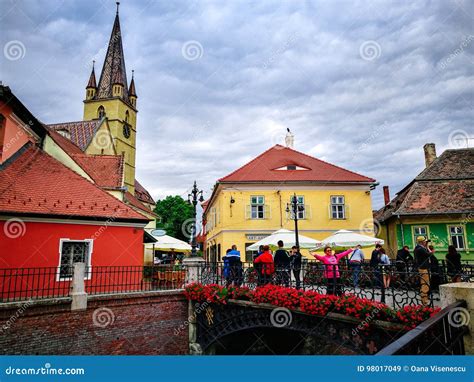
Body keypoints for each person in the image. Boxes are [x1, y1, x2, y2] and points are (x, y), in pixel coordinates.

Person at [414, 236, 432, 306]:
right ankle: (424, 300)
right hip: (423, 268)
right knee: (425, 283)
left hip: (423, 267)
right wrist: (430, 250)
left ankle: (425, 298)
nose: (426, 242)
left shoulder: (419, 248)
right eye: (425, 241)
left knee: (425, 283)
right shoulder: (420, 249)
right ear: (422, 242)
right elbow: (428, 254)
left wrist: (426, 246)